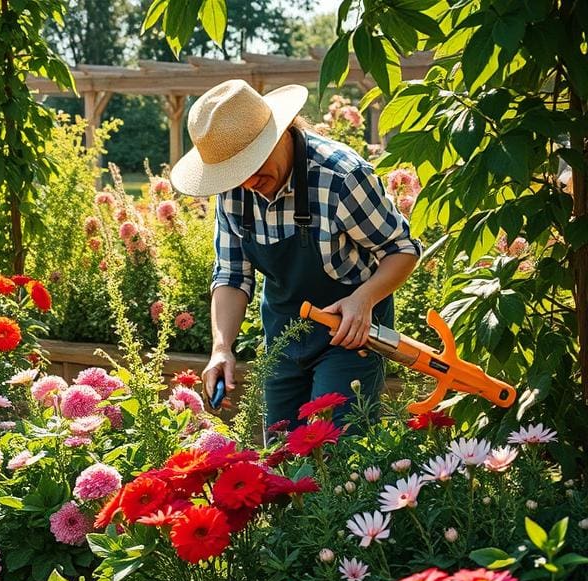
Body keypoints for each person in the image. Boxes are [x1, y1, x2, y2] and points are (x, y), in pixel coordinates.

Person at [170, 80, 422, 427]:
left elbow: (402, 249)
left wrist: (363, 299)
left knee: (337, 453)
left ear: (281, 131)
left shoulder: (340, 177)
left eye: (252, 167)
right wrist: (221, 347)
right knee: (280, 457)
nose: (247, 184)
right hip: (283, 336)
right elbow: (231, 275)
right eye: (235, 174)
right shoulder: (235, 191)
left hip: (348, 336)